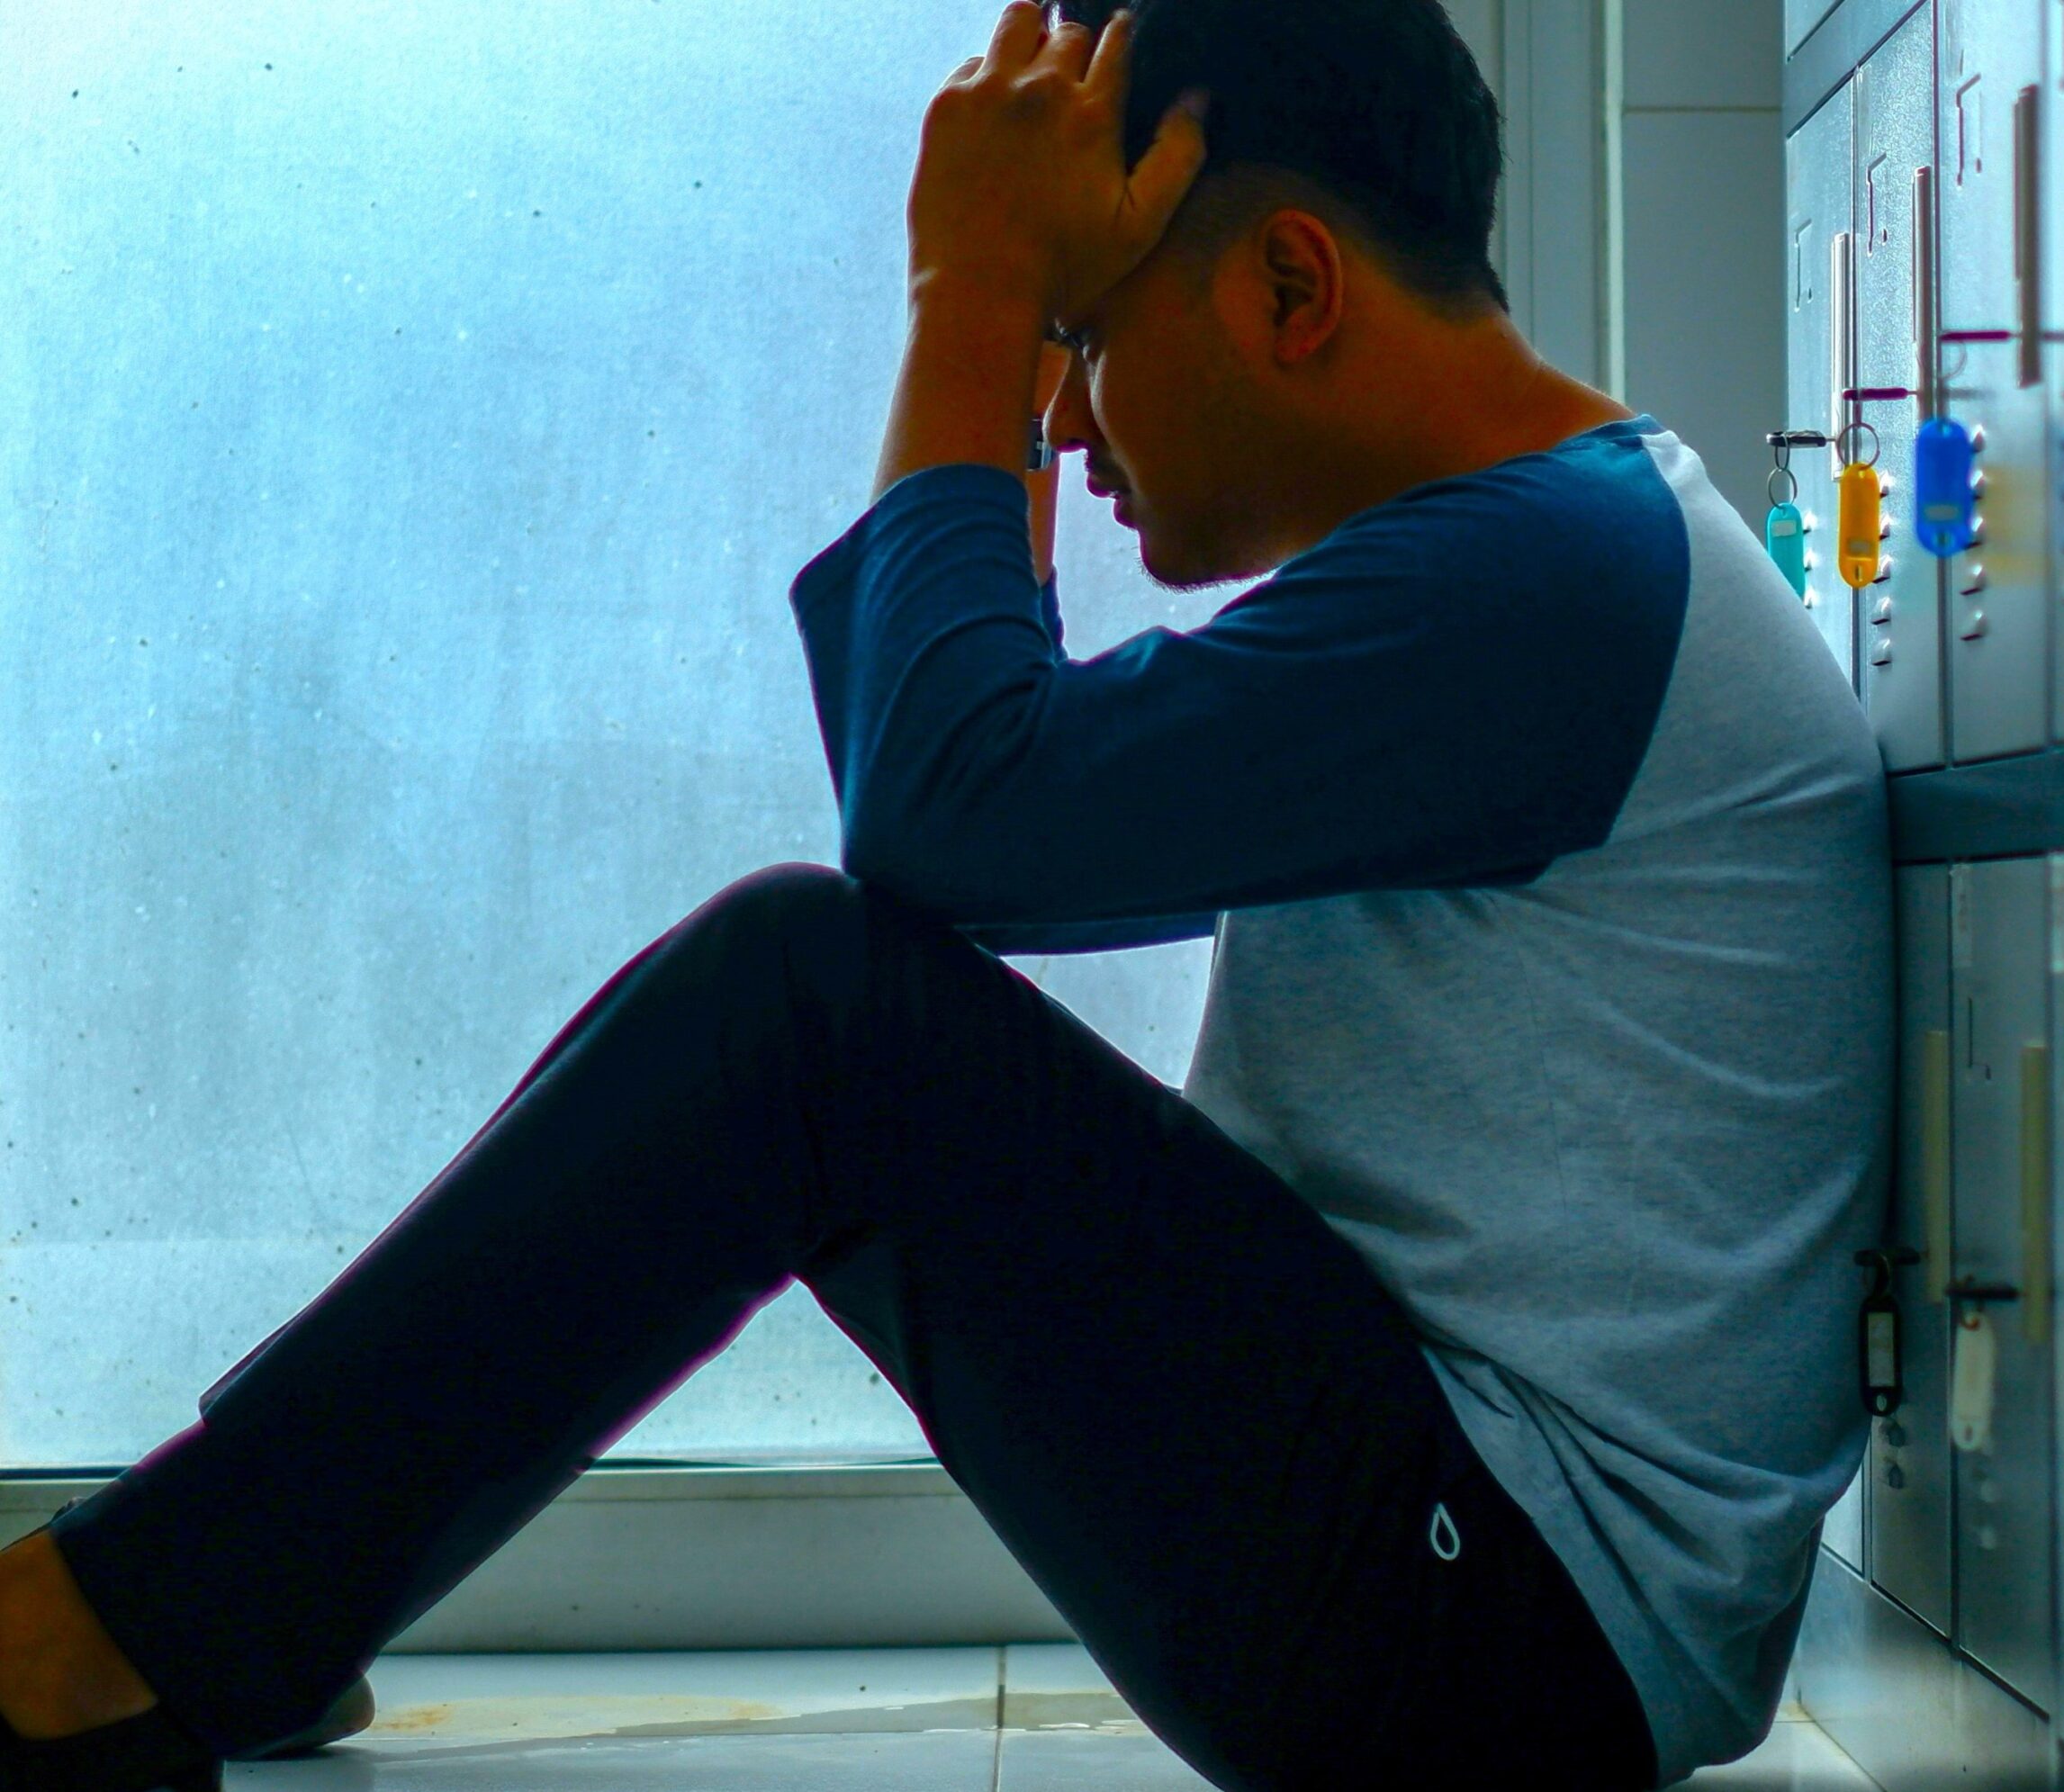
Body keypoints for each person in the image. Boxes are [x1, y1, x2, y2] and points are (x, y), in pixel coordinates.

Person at [0, 1, 1892, 1787]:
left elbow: (929, 825)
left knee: (810, 1009)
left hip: (1495, 1646)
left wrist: (967, 293)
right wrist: (1006, 313)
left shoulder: (1544, 586)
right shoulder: (1545, 558)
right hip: (1478, 1587)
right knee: (821, 997)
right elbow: (944, 818)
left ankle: (128, 1631)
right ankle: (237, 1586)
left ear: (1289, 286)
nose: (1059, 423)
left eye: (1079, 339)